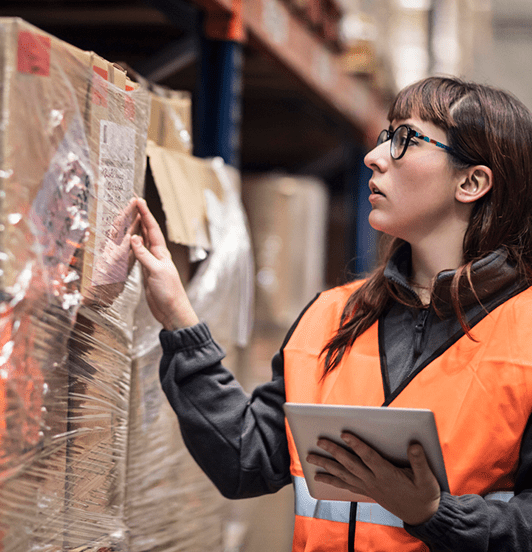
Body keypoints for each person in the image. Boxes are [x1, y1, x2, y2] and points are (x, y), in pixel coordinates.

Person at [129, 76, 532, 552]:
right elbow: (244, 459)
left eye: (405, 139)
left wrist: (434, 514)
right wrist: (179, 319)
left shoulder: (523, 330)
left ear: (471, 182)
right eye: (386, 136)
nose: (375, 156)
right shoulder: (333, 316)